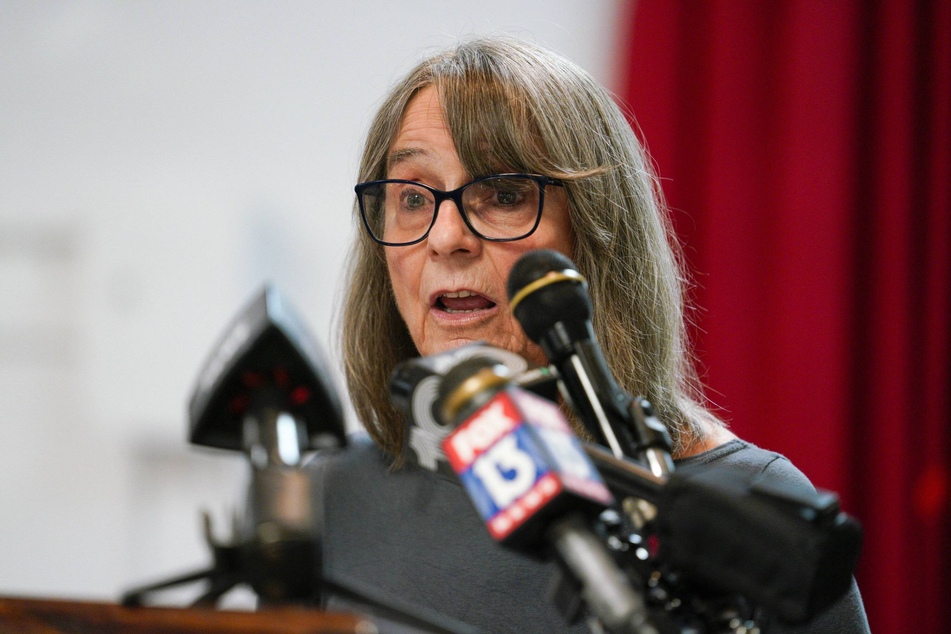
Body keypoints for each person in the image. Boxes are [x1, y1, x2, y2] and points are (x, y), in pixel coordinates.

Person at [308, 36, 869, 633]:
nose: (446, 236)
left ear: (596, 236)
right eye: (413, 198)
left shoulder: (746, 512)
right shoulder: (333, 495)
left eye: (503, 194)